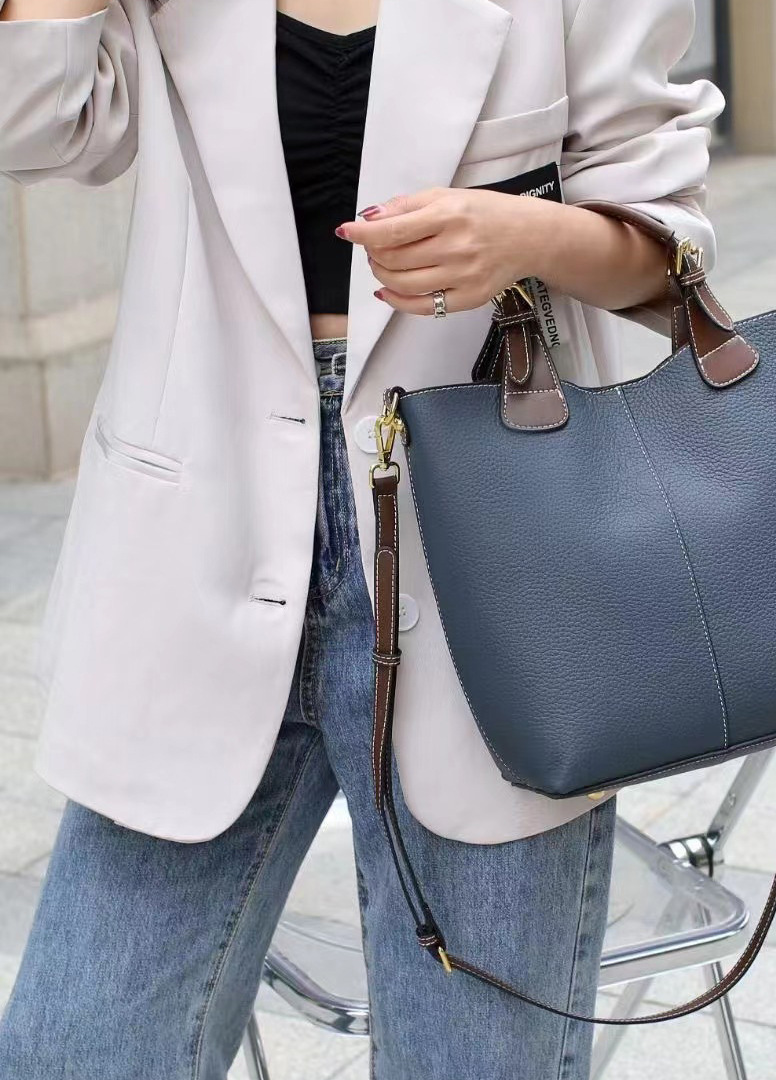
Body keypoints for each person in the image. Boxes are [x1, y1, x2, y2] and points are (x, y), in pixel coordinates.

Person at [0, 0, 725, 1075]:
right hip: (200, 529)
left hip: (488, 541)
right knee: (76, 1049)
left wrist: (524, 237)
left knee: (475, 1059)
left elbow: (674, 254)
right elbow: (33, 122)